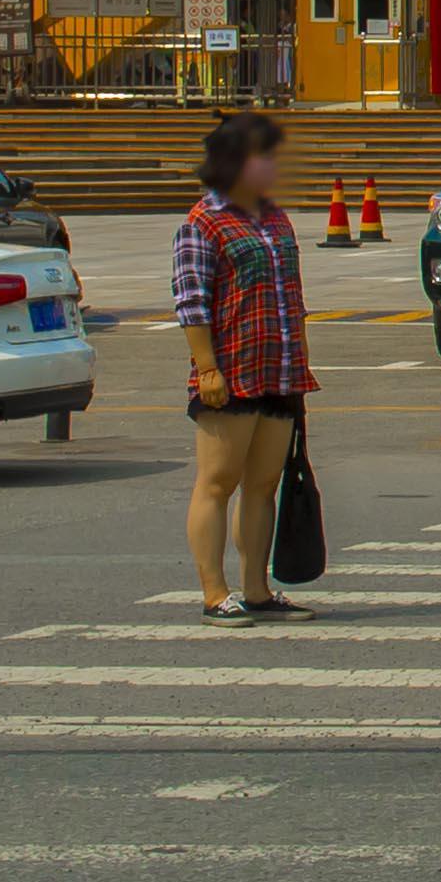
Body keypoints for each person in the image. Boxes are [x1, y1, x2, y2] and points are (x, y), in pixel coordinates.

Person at [166, 112, 314, 621]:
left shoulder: (274, 217)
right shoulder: (202, 222)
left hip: (280, 367)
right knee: (217, 481)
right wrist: (207, 368)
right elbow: (191, 302)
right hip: (231, 370)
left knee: (263, 484)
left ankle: (257, 589)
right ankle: (214, 591)